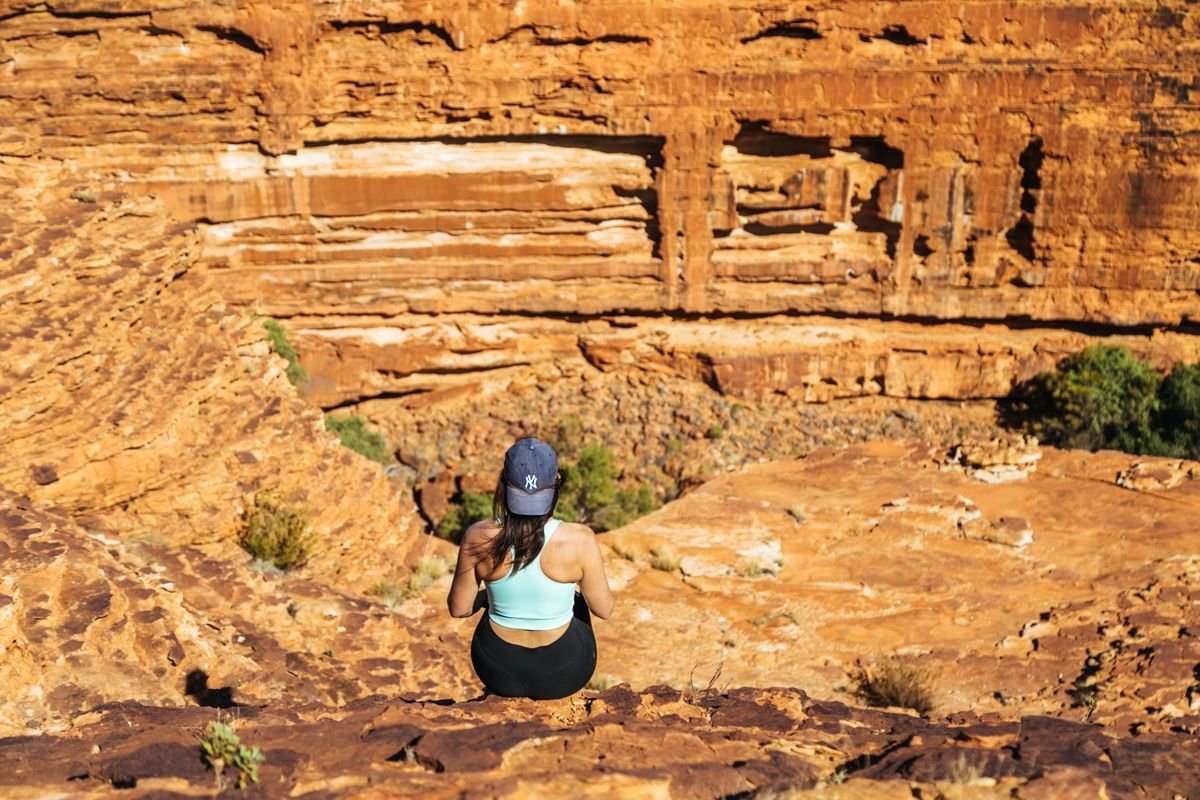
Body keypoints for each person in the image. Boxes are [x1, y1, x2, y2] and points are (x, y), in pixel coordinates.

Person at [447, 437, 615, 699]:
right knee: (578, 600)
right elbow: (603, 609)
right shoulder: (580, 539)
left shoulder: (477, 536)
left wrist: (485, 598)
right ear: (556, 481)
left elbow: (459, 609)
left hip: (497, 671)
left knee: (490, 603)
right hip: (565, 675)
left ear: (503, 484)